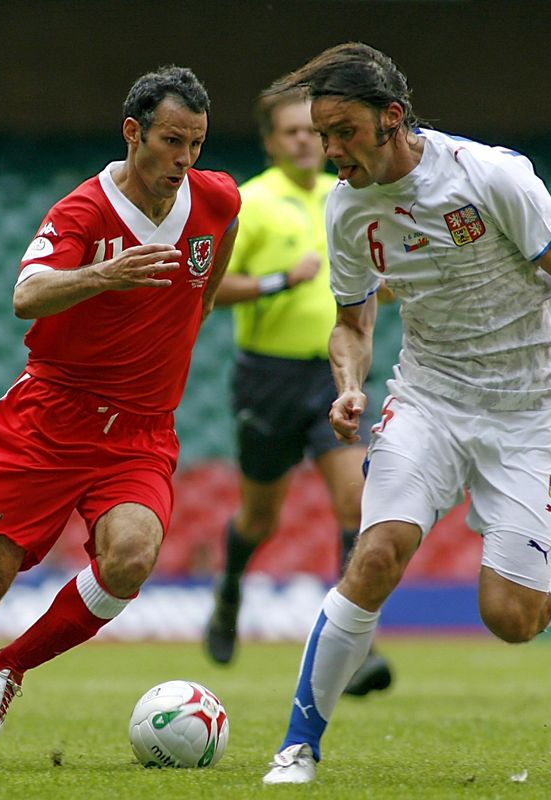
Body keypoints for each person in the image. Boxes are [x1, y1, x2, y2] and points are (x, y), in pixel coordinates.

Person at [259, 43, 551, 785]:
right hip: (430, 396)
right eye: (321, 132)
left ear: (392, 119)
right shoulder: (346, 208)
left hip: (529, 406)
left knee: (511, 618)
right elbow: (352, 322)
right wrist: (348, 380)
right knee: (375, 556)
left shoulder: (488, 176)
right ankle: (299, 744)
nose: (330, 150)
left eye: (343, 131)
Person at [0, 65, 241, 772]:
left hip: (140, 432)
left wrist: (197, 305)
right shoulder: (84, 212)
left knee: (131, 559)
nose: (184, 160)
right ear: (134, 133)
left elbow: (210, 268)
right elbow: (26, 294)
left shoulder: (216, 199)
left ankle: (7, 668)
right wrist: (106, 275)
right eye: (170, 141)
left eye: (196, 143)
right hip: (49, 420)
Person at [203, 87, 392, 696]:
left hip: (334, 377)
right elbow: (209, 289)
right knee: (261, 517)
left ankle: (353, 645)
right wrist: (281, 280)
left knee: (355, 503)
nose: (305, 140)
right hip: (268, 377)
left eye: (311, 130)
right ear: (270, 142)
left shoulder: (353, 196)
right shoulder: (251, 204)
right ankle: (229, 590)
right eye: (290, 132)